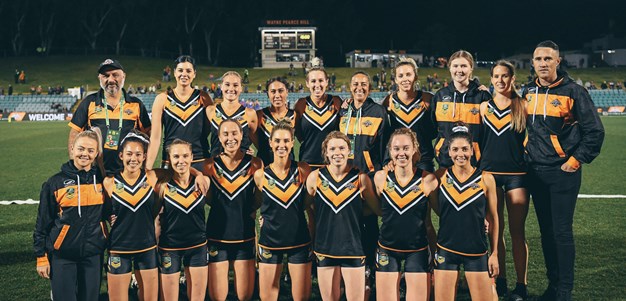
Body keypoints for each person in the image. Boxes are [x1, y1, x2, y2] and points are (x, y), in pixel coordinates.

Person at [523, 40, 604, 301]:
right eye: (538, 59)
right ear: (533, 63)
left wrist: (576, 160)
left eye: (548, 59)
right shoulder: (527, 91)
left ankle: (564, 292)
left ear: (559, 61)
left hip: (562, 173)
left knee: (561, 231)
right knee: (546, 232)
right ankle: (552, 286)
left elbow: (594, 132)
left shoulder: (574, 92)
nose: (543, 63)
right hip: (535, 172)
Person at [305, 131, 381, 301]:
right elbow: (304, 205)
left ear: (349, 151)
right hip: (324, 248)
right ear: (326, 153)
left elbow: (377, 210)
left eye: (342, 148)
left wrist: (354, 212)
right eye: (332, 149)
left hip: (353, 249)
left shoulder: (360, 179)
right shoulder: (315, 177)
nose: (337, 152)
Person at [34, 129, 107, 301]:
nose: (85, 154)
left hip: (93, 255)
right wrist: (41, 257)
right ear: (72, 149)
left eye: (90, 151)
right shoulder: (54, 183)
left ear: (97, 153)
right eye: (81, 149)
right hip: (62, 256)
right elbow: (42, 224)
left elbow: (110, 213)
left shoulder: (103, 180)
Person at [479, 60, 530, 300]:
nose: (500, 80)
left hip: (517, 176)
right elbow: (478, 142)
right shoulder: (483, 108)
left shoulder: (523, 106)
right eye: (496, 76)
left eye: (505, 76)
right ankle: (500, 281)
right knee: (494, 233)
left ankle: (521, 285)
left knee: (517, 232)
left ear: (512, 79)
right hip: (489, 175)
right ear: (491, 79)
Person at [431, 126, 499, 301]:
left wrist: (494, 254)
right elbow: (439, 209)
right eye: (455, 149)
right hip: (446, 249)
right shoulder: (439, 177)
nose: (460, 154)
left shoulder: (486, 178)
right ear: (448, 151)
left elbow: (494, 219)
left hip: (476, 251)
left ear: (472, 150)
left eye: (464, 149)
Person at [372, 128, 438, 301]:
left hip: (418, 249)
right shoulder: (380, 178)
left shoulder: (428, 180)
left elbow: (442, 215)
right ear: (390, 151)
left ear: (415, 149)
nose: (401, 153)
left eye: (406, 148)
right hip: (387, 248)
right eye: (396, 148)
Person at [339, 71, 388, 293]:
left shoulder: (378, 111)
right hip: (345, 178)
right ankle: (351, 269)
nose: (360, 87)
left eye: (364, 84)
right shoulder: (342, 110)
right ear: (350, 87)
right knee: (349, 225)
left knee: (369, 224)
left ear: (370, 87)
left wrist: (382, 168)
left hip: (367, 176)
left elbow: (385, 144)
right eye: (356, 83)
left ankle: (372, 268)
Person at [204, 119, 264, 301]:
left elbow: (259, 198)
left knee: (245, 295)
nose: (230, 138)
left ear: (242, 136)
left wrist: (250, 210)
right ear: (219, 138)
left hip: (244, 235)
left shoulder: (255, 163)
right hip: (216, 235)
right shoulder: (209, 165)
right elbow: (209, 200)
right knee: (217, 296)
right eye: (225, 134)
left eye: (234, 133)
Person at [253, 120, 313, 301]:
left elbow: (307, 204)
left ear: (292, 142)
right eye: (277, 141)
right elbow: (256, 206)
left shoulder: (303, 169)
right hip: (270, 240)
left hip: (299, 240)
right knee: (267, 296)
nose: (282, 145)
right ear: (270, 143)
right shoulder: (260, 175)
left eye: (286, 141)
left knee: (301, 296)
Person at [103, 131, 161, 301]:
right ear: (121, 155)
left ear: (144, 157)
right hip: (119, 248)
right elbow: (102, 211)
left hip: (147, 247)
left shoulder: (152, 177)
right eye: (129, 154)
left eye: (138, 154)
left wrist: (199, 174)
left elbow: (180, 169)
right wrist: (109, 217)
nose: (133, 158)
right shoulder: (109, 183)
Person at [68, 59, 151, 175]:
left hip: (128, 173)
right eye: (105, 76)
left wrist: (146, 164)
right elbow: (74, 134)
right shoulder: (89, 102)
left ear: (124, 76)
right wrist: (74, 165)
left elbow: (148, 135)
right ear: (99, 78)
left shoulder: (136, 104)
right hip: (95, 172)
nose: (111, 80)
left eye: (115, 75)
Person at [156, 139, 211, 301]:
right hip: (169, 248)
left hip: (198, 247)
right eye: (176, 156)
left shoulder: (203, 182)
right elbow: (156, 218)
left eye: (185, 156)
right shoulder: (162, 186)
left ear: (192, 157)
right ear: (169, 158)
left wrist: (199, 174)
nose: (181, 161)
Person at [146, 55, 213, 172]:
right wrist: (147, 168)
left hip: (199, 159)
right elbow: (155, 138)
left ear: (194, 74)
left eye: (188, 71)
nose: (184, 74)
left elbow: (210, 129)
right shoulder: (162, 99)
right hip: (171, 160)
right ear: (174, 73)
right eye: (180, 70)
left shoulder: (203, 98)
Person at [432, 50, 490, 168]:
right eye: (455, 66)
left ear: (471, 68)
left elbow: (489, 132)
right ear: (450, 68)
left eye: (463, 66)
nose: (459, 70)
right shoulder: (440, 96)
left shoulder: (482, 96)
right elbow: (431, 128)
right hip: (445, 159)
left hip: (475, 162)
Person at [382, 57, 437, 172]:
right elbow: (385, 134)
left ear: (415, 76)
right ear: (395, 79)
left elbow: (436, 130)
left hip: (424, 160)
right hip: (399, 159)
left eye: (408, 74)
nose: (405, 79)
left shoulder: (427, 99)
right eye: (401, 76)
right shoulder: (389, 101)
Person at [293, 67, 342, 169]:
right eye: (313, 81)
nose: (317, 85)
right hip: (307, 163)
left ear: (327, 82)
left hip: (332, 163)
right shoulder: (301, 104)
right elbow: (298, 133)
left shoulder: (336, 101)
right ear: (307, 83)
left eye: (321, 80)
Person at [206, 71, 257, 157]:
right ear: (221, 86)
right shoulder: (210, 111)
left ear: (241, 88)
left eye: (236, 85)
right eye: (227, 84)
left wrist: (245, 148)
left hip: (242, 166)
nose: (231, 89)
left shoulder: (250, 114)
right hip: (216, 166)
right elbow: (202, 137)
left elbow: (255, 141)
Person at [254, 77, 296, 165]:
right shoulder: (258, 115)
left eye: (281, 91)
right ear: (267, 94)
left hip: (288, 168)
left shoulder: (295, 115)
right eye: (273, 91)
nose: (277, 95)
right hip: (264, 167)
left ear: (287, 92)